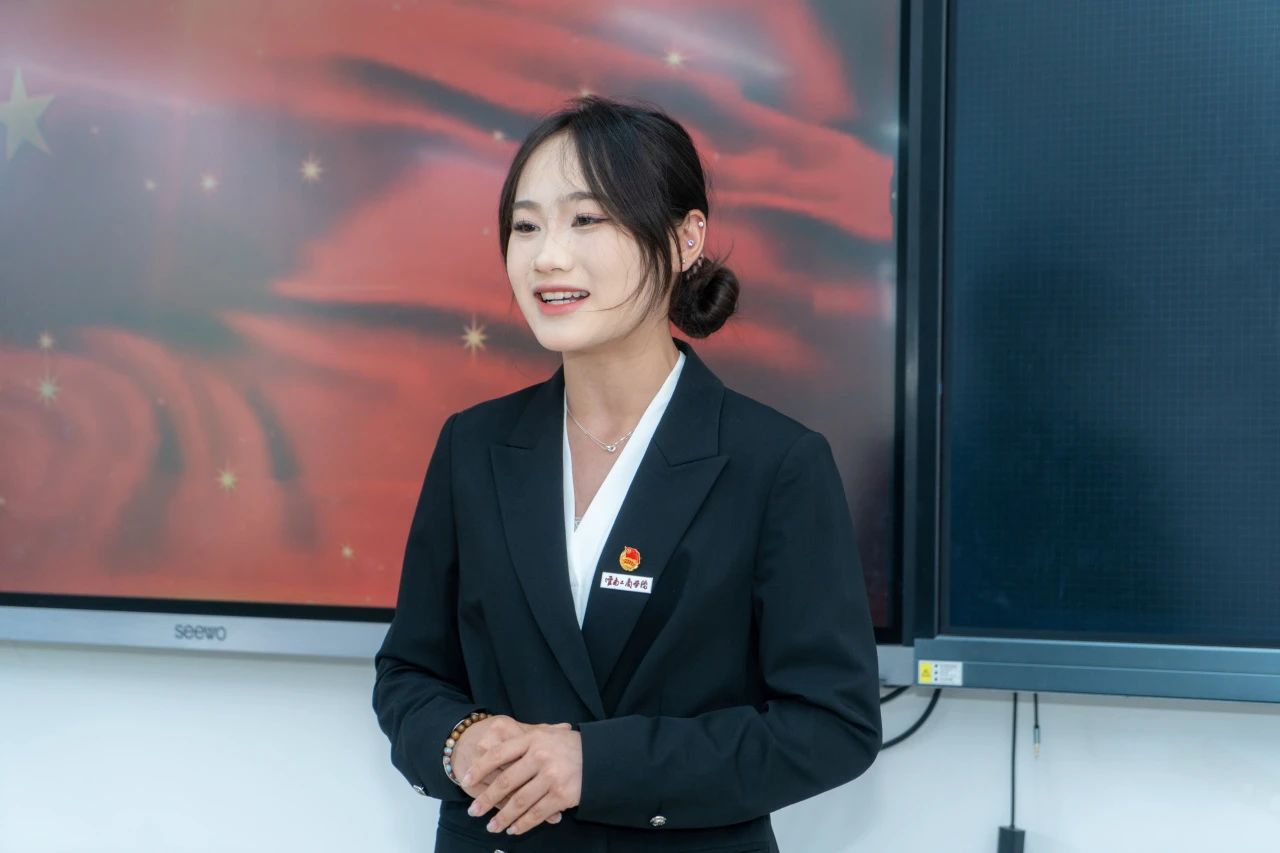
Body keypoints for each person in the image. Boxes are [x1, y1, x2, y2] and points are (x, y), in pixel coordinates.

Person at [373, 96, 882, 853]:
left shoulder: (775, 462)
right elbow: (409, 673)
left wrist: (597, 764)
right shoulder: (472, 445)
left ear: (684, 239)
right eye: (525, 225)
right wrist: (459, 740)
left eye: (587, 219)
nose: (547, 257)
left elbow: (831, 725)